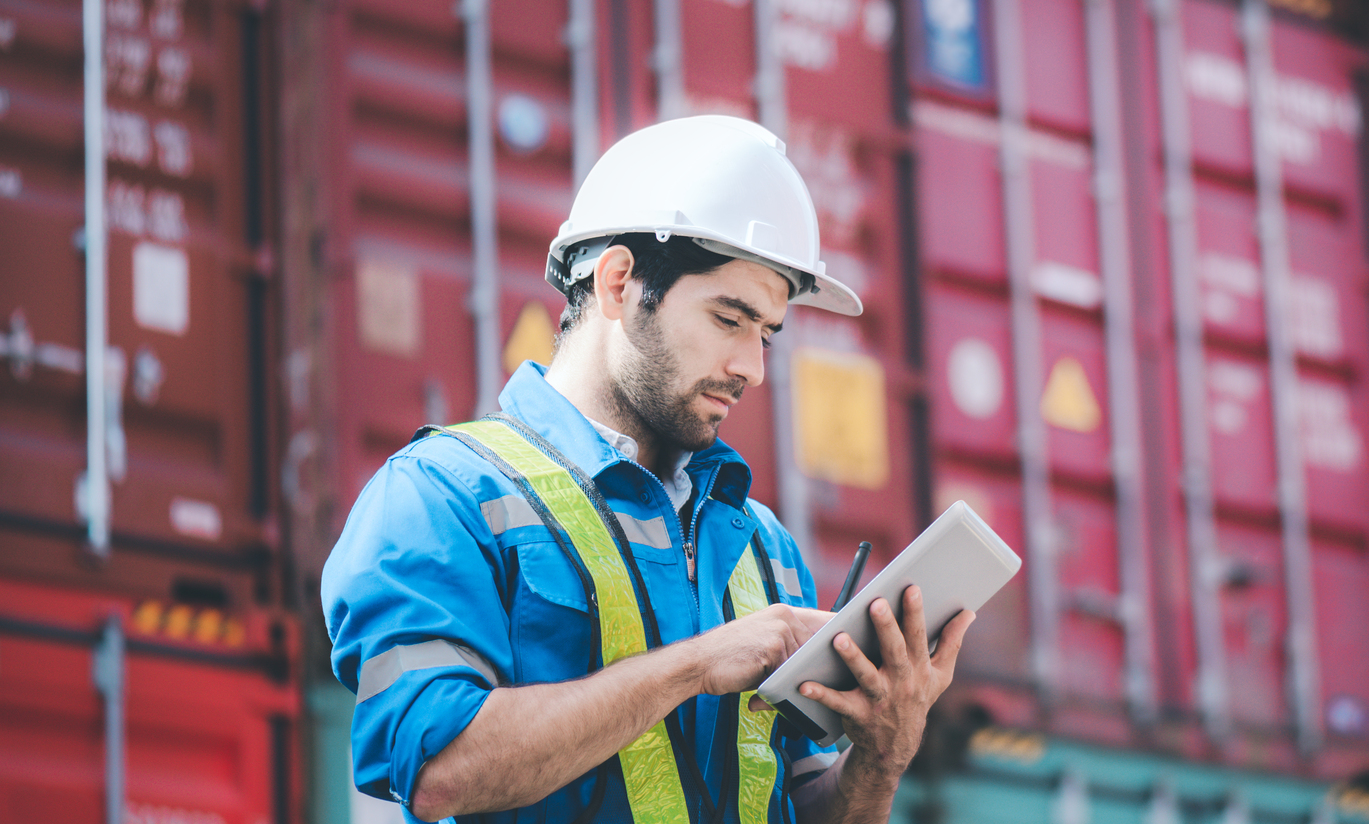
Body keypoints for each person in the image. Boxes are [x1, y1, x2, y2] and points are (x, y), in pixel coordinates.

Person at [323, 115, 975, 824]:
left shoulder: (764, 547)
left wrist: (880, 758)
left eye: (766, 334)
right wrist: (695, 665)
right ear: (619, 282)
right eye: (729, 319)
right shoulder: (440, 496)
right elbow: (438, 769)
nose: (752, 369)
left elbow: (803, 804)